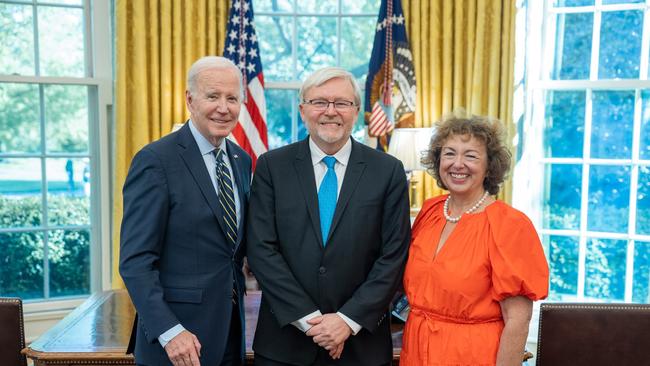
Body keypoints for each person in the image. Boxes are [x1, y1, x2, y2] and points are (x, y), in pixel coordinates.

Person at [246, 66, 411, 366]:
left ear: (357, 110)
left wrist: (347, 321)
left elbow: (394, 255)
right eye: (319, 102)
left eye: (342, 103)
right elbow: (261, 249)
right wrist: (311, 322)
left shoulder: (387, 171)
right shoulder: (272, 167)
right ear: (302, 109)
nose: (330, 111)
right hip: (285, 346)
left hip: (362, 347)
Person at [119, 56, 252, 366]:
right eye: (213, 96)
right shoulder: (156, 160)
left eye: (232, 98)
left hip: (231, 334)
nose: (224, 107)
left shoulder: (240, 160)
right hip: (177, 344)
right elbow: (135, 261)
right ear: (190, 100)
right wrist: (169, 331)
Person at [399, 112, 549, 366]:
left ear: (489, 166)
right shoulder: (430, 211)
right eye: (449, 153)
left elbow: (517, 320)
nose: (458, 164)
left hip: (471, 355)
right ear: (438, 160)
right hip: (415, 352)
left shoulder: (509, 225)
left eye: (471, 155)